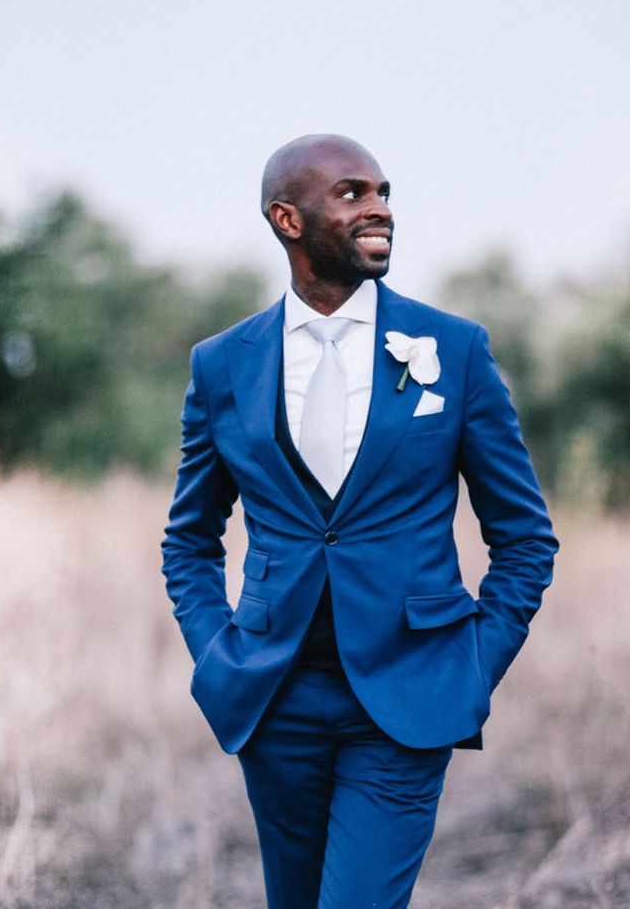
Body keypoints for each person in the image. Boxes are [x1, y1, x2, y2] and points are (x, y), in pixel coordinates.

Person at [161, 134, 558, 909]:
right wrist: (219, 654)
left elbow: (524, 538)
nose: (379, 208)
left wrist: (472, 664)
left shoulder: (455, 350)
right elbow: (189, 538)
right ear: (287, 218)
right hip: (274, 700)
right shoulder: (222, 365)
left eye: (382, 191)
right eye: (351, 193)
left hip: (407, 700)